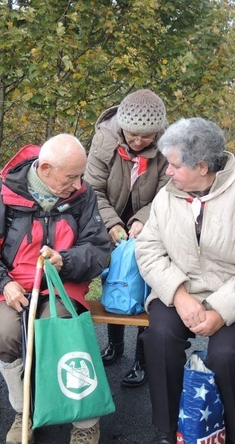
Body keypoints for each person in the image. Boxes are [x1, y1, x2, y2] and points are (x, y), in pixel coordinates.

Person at [135, 118, 235, 444]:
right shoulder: (168, 195)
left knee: (227, 352)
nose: (167, 171)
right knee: (160, 337)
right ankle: (166, 430)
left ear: (202, 167)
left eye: (174, 164)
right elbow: (148, 250)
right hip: (180, 290)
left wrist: (219, 310)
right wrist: (179, 295)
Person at [0, 134, 110, 444]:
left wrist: (66, 260)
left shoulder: (83, 196)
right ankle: (24, 410)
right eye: (70, 177)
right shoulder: (3, 193)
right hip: (12, 284)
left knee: (61, 333)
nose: (77, 185)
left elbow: (99, 250)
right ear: (44, 169)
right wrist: (4, 283)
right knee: (7, 336)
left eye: (80, 176)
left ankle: (86, 424)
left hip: (62, 283)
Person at [85, 89, 169, 387]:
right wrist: (112, 223)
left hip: (152, 222)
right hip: (108, 215)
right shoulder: (105, 139)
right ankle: (115, 346)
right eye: (133, 135)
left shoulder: (168, 146)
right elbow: (92, 188)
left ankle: (141, 359)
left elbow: (167, 194)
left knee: (147, 285)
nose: (138, 142)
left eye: (147, 136)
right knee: (115, 279)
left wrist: (142, 221)